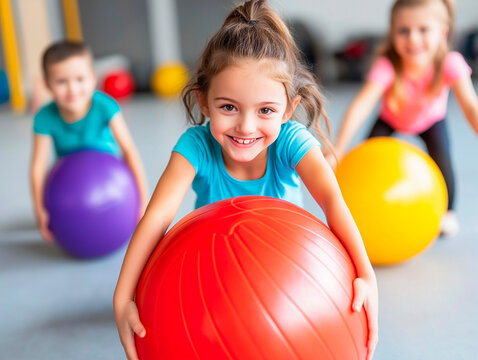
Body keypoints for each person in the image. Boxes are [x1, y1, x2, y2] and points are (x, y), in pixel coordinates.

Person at [113, 1, 378, 359]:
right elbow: (157, 217)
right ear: (203, 102)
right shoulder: (196, 146)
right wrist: (123, 297)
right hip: (212, 275)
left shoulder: (292, 141)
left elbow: (332, 201)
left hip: (285, 276)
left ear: (287, 108)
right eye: (228, 107)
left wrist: (366, 275)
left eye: (265, 110)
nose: (246, 127)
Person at [332, 0, 478, 237]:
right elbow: (362, 103)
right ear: (392, 34)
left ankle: (448, 211)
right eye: (403, 30)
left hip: (431, 120)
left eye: (423, 30)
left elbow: (471, 107)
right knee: (368, 159)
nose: (412, 38)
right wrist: (339, 147)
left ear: (442, 32)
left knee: (443, 161)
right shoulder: (388, 64)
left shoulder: (450, 63)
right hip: (390, 118)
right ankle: (363, 205)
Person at [30, 41, 149, 242]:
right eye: (61, 81)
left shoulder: (105, 106)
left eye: (80, 79)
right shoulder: (44, 117)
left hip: (107, 173)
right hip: (70, 177)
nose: (72, 89)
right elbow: (38, 166)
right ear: (48, 84)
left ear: (93, 79)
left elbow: (129, 151)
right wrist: (40, 209)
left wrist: (142, 201)